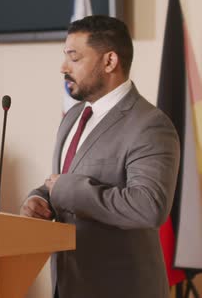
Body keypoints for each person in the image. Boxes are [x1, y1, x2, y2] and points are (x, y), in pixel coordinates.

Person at [20, 16, 179, 298]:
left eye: (74, 58)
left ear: (109, 61)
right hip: (69, 285)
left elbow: (148, 206)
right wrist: (41, 198)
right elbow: (64, 181)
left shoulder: (150, 124)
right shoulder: (73, 117)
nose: (63, 68)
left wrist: (67, 190)